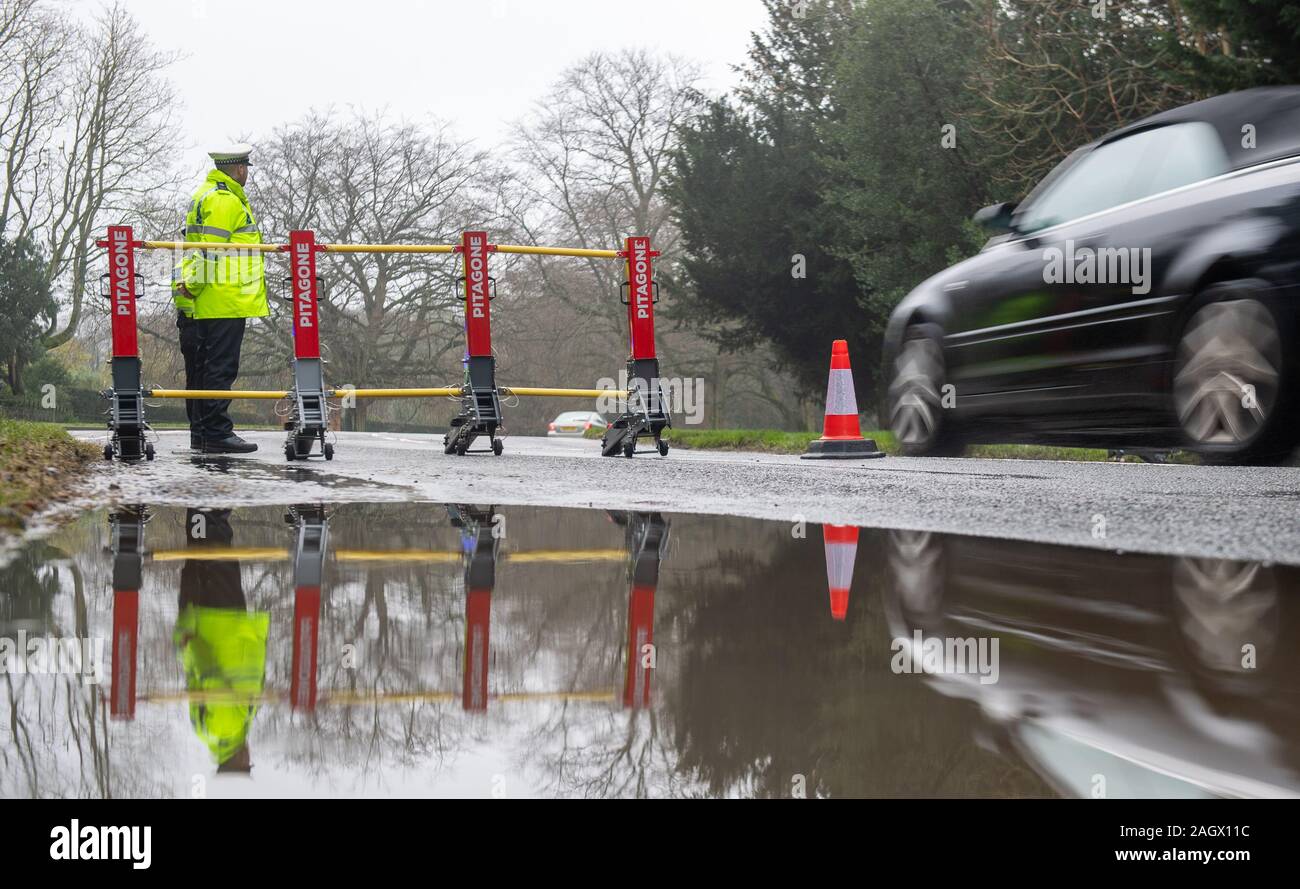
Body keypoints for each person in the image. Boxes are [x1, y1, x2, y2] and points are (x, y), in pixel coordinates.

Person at [172, 143, 267, 453]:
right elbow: (211, 250)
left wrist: (193, 286)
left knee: (204, 368)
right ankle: (217, 433)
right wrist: (195, 285)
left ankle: (202, 433)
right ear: (239, 169)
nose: (247, 174)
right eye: (246, 169)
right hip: (224, 296)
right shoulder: (225, 201)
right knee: (220, 368)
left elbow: (199, 247)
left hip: (212, 298)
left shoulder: (205, 195)